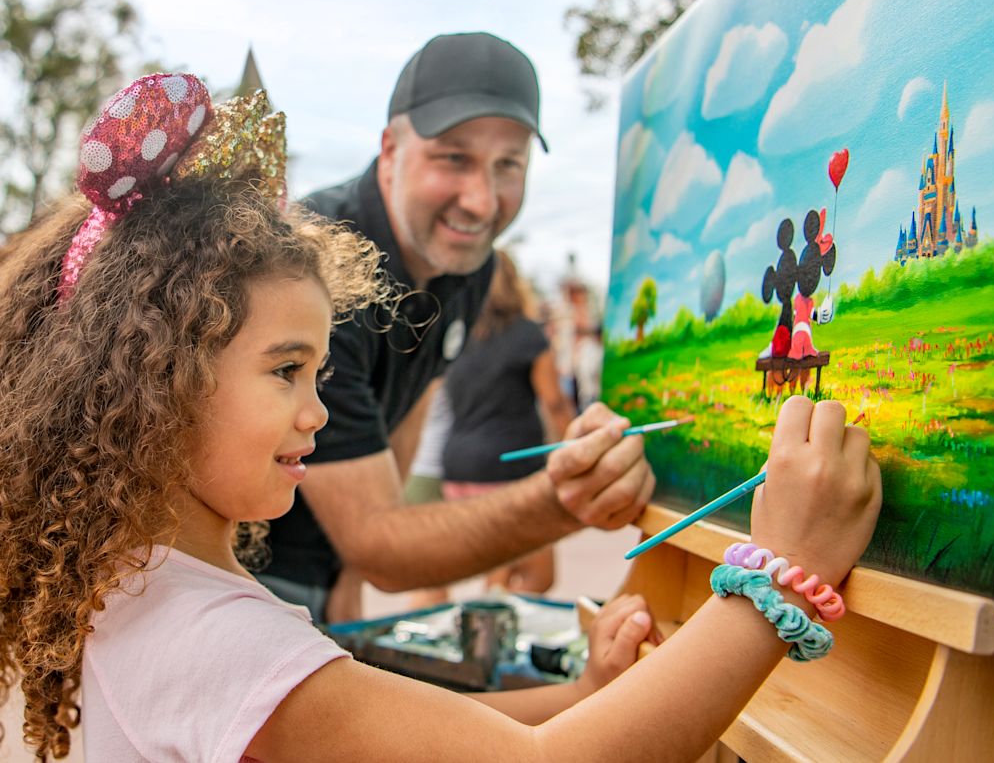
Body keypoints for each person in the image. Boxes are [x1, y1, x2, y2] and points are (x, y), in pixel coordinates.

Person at [0, 74, 882, 762]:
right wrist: (782, 575)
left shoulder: (126, 586)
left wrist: (588, 695)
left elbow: (420, 737)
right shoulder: (210, 636)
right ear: (162, 381)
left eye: (318, 371)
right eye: (285, 371)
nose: (318, 411)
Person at [260, 32, 655, 623]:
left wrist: (345, 579)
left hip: (320, 571)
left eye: (508, 165)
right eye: (454, 158)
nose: (481, 201)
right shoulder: (315, 269)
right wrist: (566, 498)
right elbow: (380, 547)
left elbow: (408, 412)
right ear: (390, 149)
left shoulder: (469, 265)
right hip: (238, 573)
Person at [434, 249, 576, 598]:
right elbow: (554, 401)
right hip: (508, 467)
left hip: (458, 467)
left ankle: (489, 622)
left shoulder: (459, 336)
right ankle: (488, 632)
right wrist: (574, 447)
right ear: (515, 282)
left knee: (505, 564)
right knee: (534, 573)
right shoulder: (528, 336)